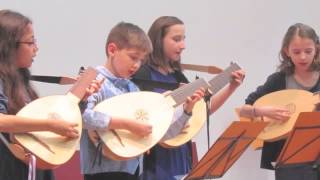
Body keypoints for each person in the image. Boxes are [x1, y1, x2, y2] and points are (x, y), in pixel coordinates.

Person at [80, 21, 204, 180]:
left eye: (141, 60)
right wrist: (127, 124)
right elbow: (81, 117)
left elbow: (158, 134)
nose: (137, 65)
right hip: (101, 174)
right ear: (112, 50)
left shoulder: (133, 89)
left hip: (134, 173)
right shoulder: (92, 81)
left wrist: (186, 110)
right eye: (133, 57)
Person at [133, 16, 245, 180]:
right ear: (158, 40)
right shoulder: (143, 74)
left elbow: (202, 110)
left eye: (183, 39)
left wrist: (232, 87)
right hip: (155, 160)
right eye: (176, 39)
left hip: (182, 155)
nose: (183, 46)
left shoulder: (178, 76)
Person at [0, 9, 85, 180]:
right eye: (30, 42)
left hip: (29, 162)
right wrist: (49, 125)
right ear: (9, 45)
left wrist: (80, 98)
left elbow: (34, 117)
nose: (36, 48)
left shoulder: (20, 78)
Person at [239, 23, 320, 180]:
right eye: (296, 52)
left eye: (308, 51)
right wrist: (262, 111)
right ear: (286, 51)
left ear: (316, 49)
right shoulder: (278, 80)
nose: (302, 57)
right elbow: (244, 109)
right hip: (289, 161)